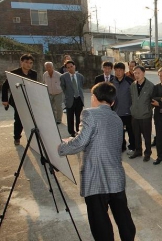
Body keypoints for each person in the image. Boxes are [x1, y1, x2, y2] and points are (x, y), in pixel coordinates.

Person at [57, 82, 136, 241]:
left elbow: (80, 143)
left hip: (95, 177)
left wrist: (62, 146)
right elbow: (102, 140)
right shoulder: (117, 119)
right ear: (112, 102)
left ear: (93, 97)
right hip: (116, 176)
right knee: (123, 216)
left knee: (100, 221)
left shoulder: (89, 114)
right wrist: (75, 139)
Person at [2, 54, 38, 145]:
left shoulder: (34, 73)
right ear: (21, 62)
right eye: (26, 62)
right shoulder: (13, 73)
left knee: (30, 119)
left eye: (30, 63)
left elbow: (34, 87)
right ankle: (17, 137)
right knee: (19, 119)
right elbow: (5, 86)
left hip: (29, 99)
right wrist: (5, 100)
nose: (28, 65)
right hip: (17, 100)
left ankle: (31, 139)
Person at [129, 65, 154, 161]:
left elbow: (152, 100)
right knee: (136, 135)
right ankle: (138, 151)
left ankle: (148, 152)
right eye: (135, 73)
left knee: (147, 136)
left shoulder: (150, 86)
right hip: (135, 115)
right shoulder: (132, 85)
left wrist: (146, 109)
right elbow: (132, 99)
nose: (136, 75)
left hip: (145, 116)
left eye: (138, 73)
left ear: (143, 73)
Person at [112, 62, 135, 155]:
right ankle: (121, 146)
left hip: (128, 112)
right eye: (116, 70)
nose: (118, 72)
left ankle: (132, 146)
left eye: (120, 70)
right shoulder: (111, 82)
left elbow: (134, 96)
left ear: (124, 71)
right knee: (119, 131)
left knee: (131, 130)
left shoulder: (130, 81)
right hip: (116, 112)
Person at [60, 60, 85, 137]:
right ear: (66, 69)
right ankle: (71, 132)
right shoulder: (63, 77)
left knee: (79, 116)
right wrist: (69, 94)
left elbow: (81, 85)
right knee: (70, 117)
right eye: (68, 68)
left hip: (79, 99)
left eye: (71, 66)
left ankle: (78, 130)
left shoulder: (80, 76)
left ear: (74, 66)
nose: (70, 68)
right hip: (70, 99)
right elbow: (63, 87)